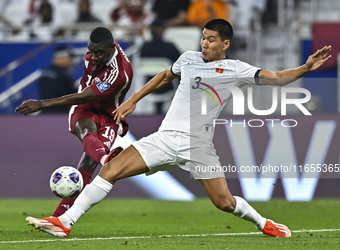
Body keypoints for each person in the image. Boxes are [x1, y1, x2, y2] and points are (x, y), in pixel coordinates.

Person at [21, 19, 331, 238]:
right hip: (166, 138)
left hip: (199, 146)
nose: (204, 44)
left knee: (224, 202)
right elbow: (163, 77)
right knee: (111, 169)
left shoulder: (236, 69)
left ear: (225, 43)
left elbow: (276, 77)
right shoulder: (189, 59)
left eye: (211, 40)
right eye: (202, 38)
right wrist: (133, 100)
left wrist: (304, 68)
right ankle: (65, 222)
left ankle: (264, 222)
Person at [16, 27, 133, 218]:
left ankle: (57, 218)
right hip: (85, 108)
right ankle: (106, 159)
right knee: (87, 132)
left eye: (99, 53)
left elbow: (84, 95)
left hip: (109, 115)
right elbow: (84, 99)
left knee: (87, 164)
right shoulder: (97, 50)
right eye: (91, 51)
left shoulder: (119, 74)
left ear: (112, 49)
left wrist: (42, 104)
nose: (93, 57)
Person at [139, 18, 181, 114]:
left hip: (150, 87)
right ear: (162, 30)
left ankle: (158, 111)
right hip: (169, 87)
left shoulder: (144, 47)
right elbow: (181, 64)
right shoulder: (169, 47)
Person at [38, 46, 76, 114]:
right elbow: (73, 96)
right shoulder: (63, 75)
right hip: (61, 115)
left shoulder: (44, 73)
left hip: (45, 114)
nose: (71, 60)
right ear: (61, 58)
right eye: (69, 57)